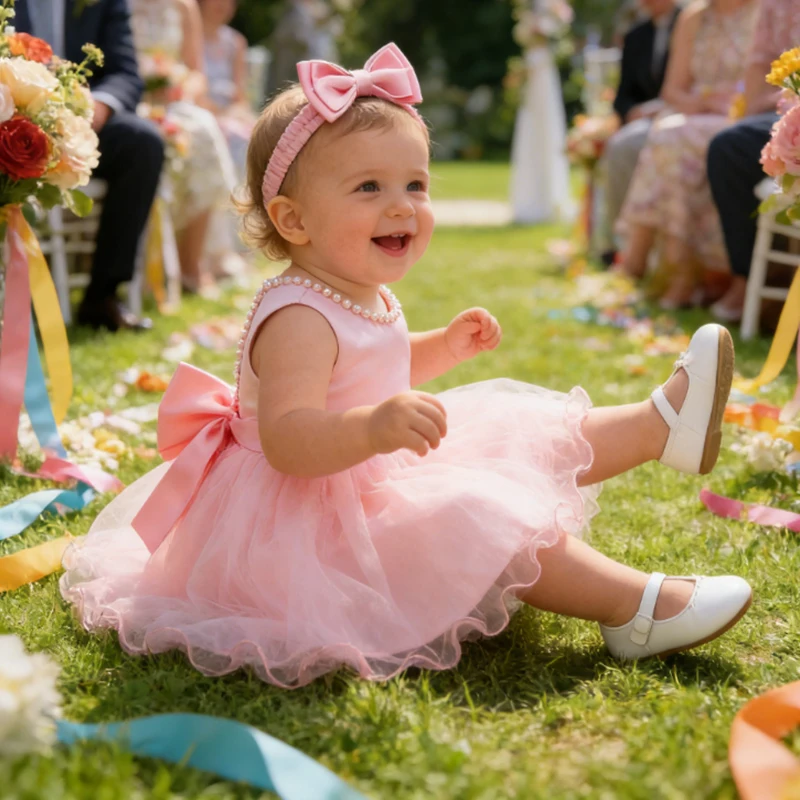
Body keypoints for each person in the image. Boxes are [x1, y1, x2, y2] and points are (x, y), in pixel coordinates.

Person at [60, 44, 752, 689]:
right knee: (477, 512)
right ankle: (636, 609)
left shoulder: (354, 288)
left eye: (415, 184)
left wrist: (440, 349)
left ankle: (660, 426)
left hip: (367, 468)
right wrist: (373, 427)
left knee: (517, 424)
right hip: (309, 519)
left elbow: (373, 364)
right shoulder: (297, 316)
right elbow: (292, 438)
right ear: (293, 220)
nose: (403, 205)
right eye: (368, 187)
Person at [14, 0, 162, 331]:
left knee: (143, 143)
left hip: (79, 125)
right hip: (7, 116)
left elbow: (125, 72)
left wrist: (98, 107)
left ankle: (102, 298)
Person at [616, 0, 758, 310]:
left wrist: (735, 104)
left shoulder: (765, 11)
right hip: (697, 112)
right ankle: (674, 267)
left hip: (743, 117)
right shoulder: (693, 17)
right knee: (668, 134)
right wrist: (702, 102)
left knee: (671, 138)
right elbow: (673, 90)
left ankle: (654, 264)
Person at [130, 0, 239, 293]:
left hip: (173, 103)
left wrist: (177, 86)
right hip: (131, 102)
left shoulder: (184, 7)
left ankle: (191, 263)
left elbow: (196, 75)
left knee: (203, 129)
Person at [706, 1, 800, 322]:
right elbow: (760, 63)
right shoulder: (776, 4)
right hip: (783, 111)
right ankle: (746, 282)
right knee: (728, 147)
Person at [604, 0, 680, 254]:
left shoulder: (691, 22)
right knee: (622, 144)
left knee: (636, 144)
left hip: (680, 114)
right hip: (644, 122)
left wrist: (663, 106)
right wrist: (632, 112)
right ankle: (618, 244)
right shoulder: (636, 35)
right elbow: (623, 95)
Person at [198, 0, 255, 179]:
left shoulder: (236, 42)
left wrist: (239, 113)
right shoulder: (189, 37)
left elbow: (240, 95)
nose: (223, 5)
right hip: (202, 110)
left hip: (229, 113)